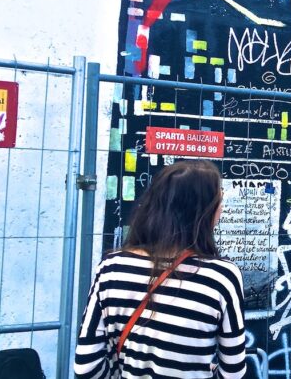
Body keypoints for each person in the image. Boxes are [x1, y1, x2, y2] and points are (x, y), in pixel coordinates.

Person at [74, 160, 246, 378]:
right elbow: (234, 372)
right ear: (204, 213)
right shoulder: (222, 277)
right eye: (219, 202)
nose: (222, 209)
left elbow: (86, 367)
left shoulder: (111, 268)